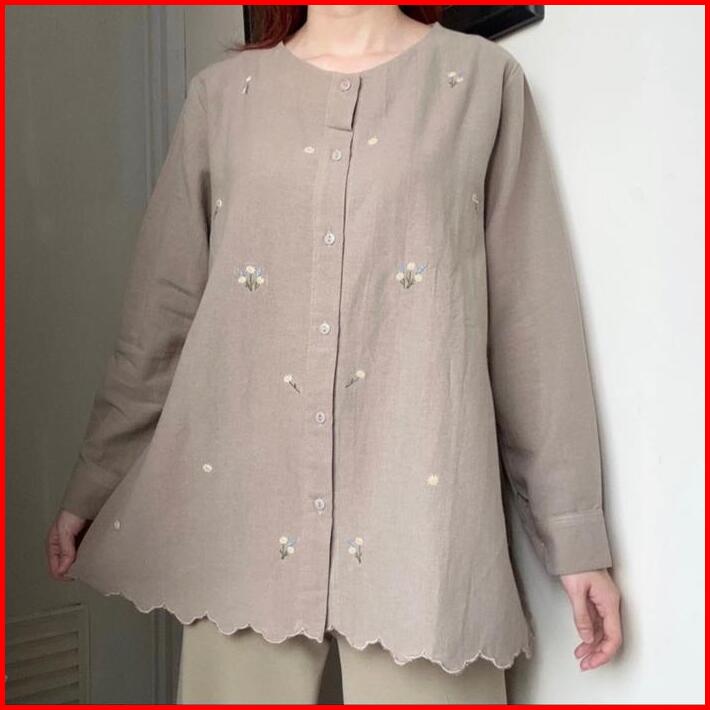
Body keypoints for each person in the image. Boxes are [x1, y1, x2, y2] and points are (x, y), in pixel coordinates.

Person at [46, 5, 622, 704]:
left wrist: (575, 537)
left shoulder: (480, 82)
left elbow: (531, 325)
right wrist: (96, 480)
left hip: (421, 527)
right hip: (242, 522)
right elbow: (160, 312)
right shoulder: (223, 99)